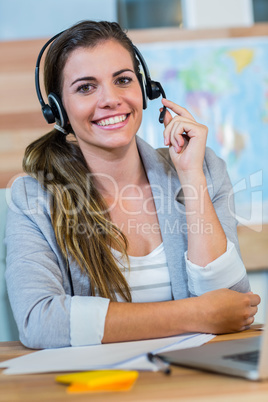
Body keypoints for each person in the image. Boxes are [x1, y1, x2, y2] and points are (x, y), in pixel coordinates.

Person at [5, 20, 260, 349]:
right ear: (58, 109)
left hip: (191, 382)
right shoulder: (33, 198)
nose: (110, 99)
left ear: (146, 90)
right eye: (86, 87)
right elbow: (39, 321)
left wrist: (190, 177)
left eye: (123, 80)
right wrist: (193, 314)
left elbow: (231, 307)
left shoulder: (202, 168)